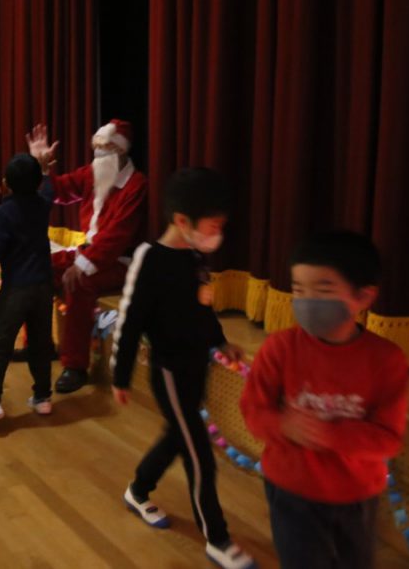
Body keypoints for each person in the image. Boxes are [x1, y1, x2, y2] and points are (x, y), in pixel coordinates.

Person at [111, 168, 254, 569]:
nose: (218, 234)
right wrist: (120, 376)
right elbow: (130, 320)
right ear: (181, 220)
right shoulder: (150, 258)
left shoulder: (194, 255)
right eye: (213, 226)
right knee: (199, 456)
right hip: (169, 372)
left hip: (196, 367)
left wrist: (220, 341)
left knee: (177, 437)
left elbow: (202, 307)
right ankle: (218, 540)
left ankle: (138, 490)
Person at [240, 231, 409, 569]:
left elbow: (388, 440)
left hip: (357, 495)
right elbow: (253, 412)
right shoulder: (279, 348)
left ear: (364, 296)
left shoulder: (387, 360)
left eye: (323, 290)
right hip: (291, 491)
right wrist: (283, 425)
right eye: (298, 290)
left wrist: (328, 434)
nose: (306, 301)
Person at [27, 120, 147, 394]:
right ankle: (38, 345)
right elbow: (57, 191)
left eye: (104, 146)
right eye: (96, 146)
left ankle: (75, 366)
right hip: (89, 252)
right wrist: (41, 168)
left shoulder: (136, 184)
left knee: (79, 283)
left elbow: (116, 238)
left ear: (121, 149)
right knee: (35, 268)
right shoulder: (92, 173)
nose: (98, 152)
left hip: (120, 261)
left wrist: (82, 265)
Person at [0, 153, 54, 430]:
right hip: (44, 286)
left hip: (17, 288)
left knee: (0, 344)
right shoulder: (42, 204)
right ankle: (42, 397)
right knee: (40, 342)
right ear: (37, 183)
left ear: (6, 183)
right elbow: (48, 190)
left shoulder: (4, 212)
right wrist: (46, 170)